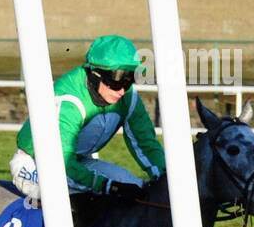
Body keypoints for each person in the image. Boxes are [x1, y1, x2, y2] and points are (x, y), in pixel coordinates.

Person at [9, 34, 165, 205]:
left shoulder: (128, 97)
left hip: (82, 162)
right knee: (82, 201)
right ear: (95, 74)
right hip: (37, 164)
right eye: (116, 82)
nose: (122, 91)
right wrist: (108, 187)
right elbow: (61, 166)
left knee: (139, 190)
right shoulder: (68, 101)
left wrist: (166, 179)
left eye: (128, 81)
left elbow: (146, 144)